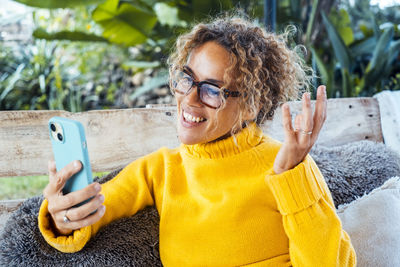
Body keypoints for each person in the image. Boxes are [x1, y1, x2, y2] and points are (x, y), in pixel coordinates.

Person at [39, 16, 357, 266]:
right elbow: (91, 210)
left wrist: (292, 174)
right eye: (187, 79)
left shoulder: (289, 167)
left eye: (211, 90)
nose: (190, 99)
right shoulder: (160, 169)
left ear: (252, 105)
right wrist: (62, 215)